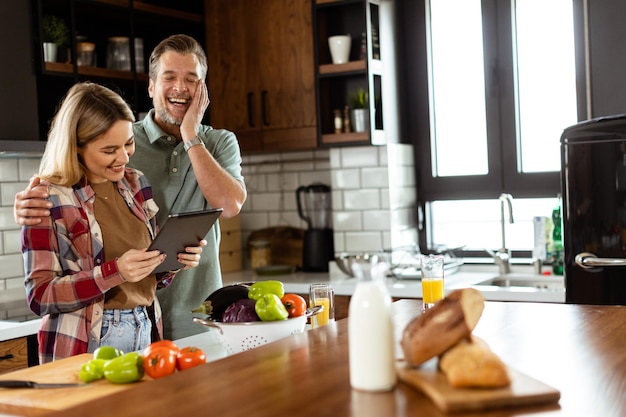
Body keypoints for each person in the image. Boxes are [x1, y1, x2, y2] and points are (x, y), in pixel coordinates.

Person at [15, 34, 247, 340]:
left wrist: (190, 134)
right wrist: (31, 204)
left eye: (192, 79)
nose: (123, 157)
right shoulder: (115, 139)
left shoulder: (139, 176)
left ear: (203, 89)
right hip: (111, 327)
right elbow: (43, 289)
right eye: (169, 77)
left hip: (173, 316)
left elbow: (229, 206)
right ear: (151, 86)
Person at [22, 82, 206, 363]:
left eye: (129, 143)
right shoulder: (47, 198)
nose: (123, 157)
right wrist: (115, 271)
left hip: (146, 327)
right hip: (87, 342)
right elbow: (40, 295)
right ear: (76, 146)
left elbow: (146, 279)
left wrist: (173, 261)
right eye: (109, 150)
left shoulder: (135, 183)